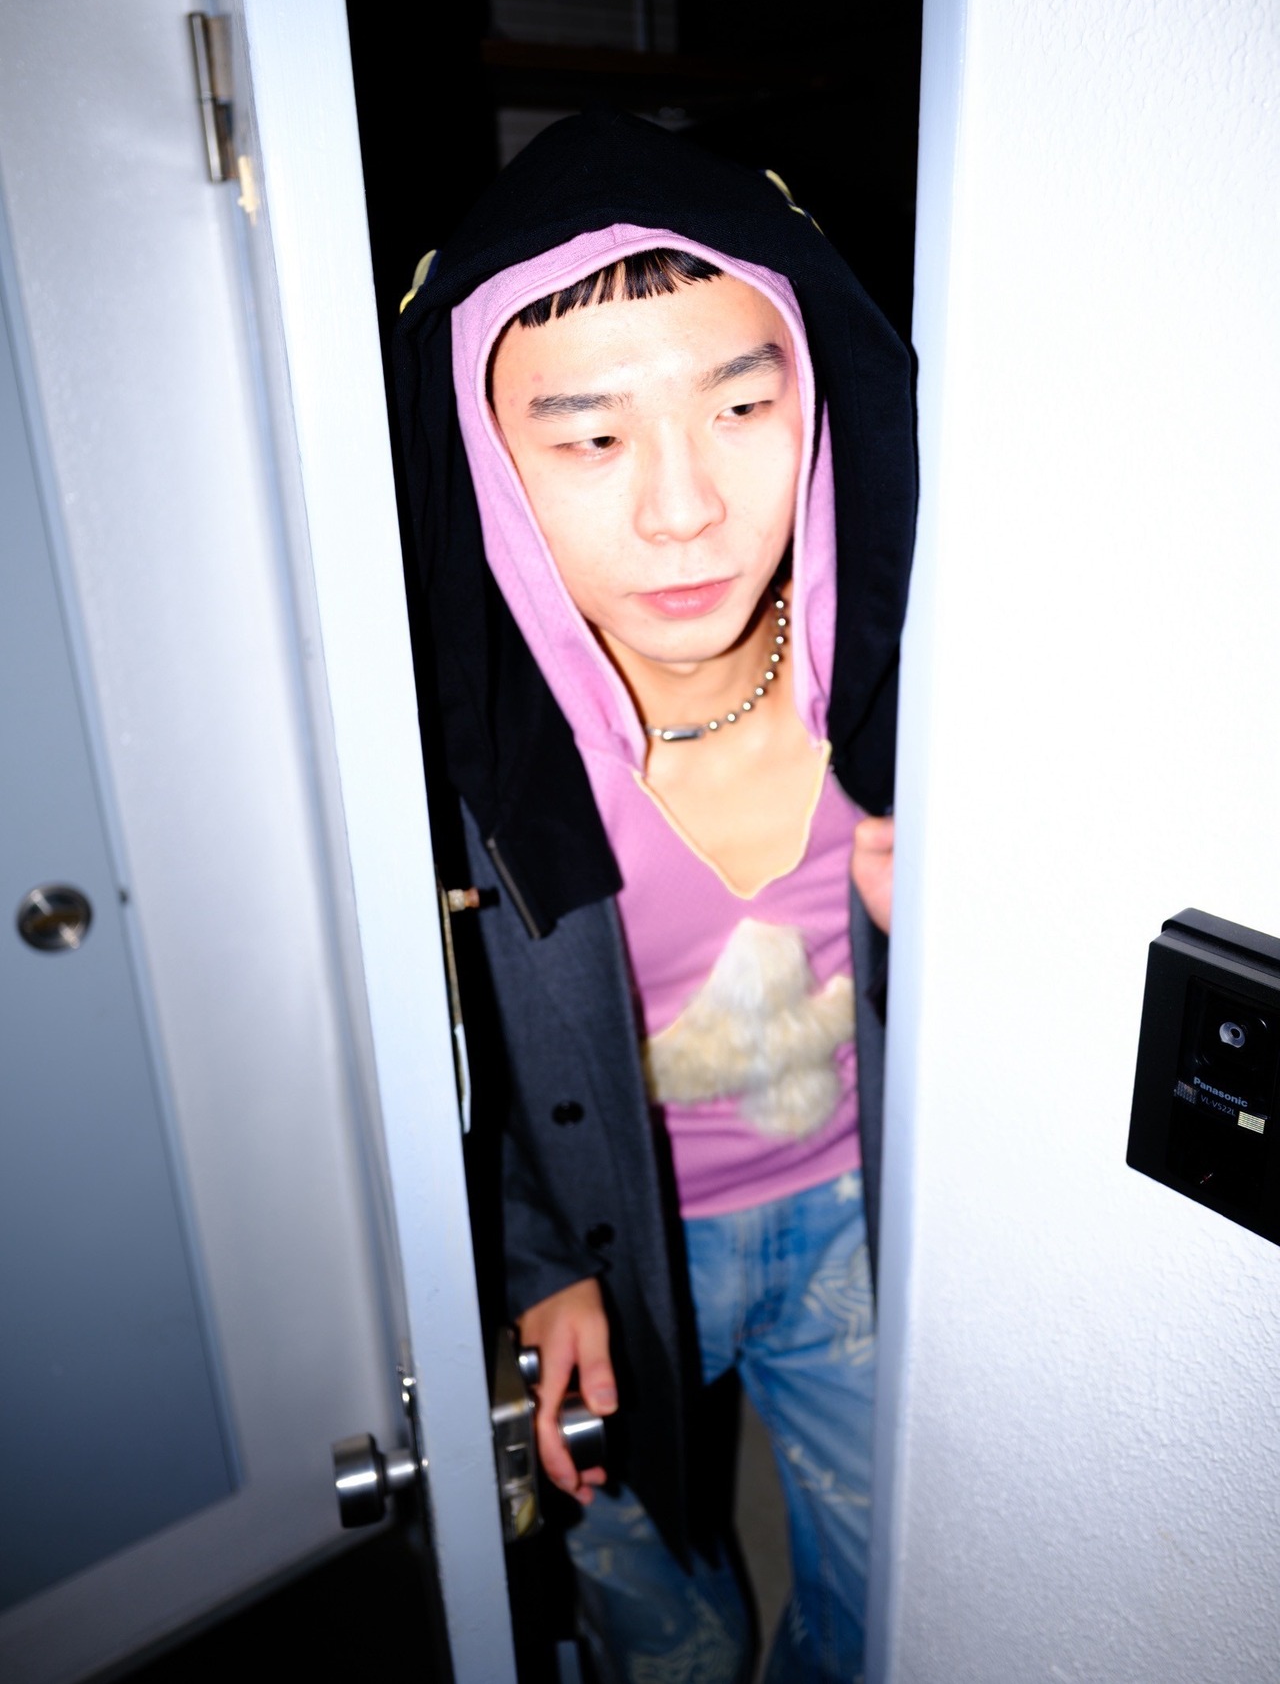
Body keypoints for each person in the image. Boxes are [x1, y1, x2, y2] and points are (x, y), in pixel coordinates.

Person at [394, 108, 915, 1683]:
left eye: (741, 407)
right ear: (486, 463)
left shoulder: (924, 685)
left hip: (868, 1218)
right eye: (592, 440)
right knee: (659, 1631)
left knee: (899, 1596)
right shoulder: (452, 761)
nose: (682, 509)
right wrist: (530, 1264)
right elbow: (418, 1066)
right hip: (613, 1253)